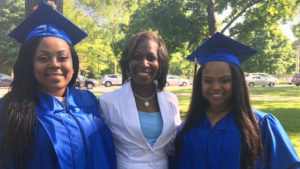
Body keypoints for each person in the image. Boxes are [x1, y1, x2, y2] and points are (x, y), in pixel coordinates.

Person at [0, 1, 116, 169]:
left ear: (73, 62)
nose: (54, 64)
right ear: (29, 63)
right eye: (42, 58)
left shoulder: (88, 101)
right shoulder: (9, 109)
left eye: (62, 58)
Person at [174, 32, 300, 169]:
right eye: (208, 80)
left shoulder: (260, 124)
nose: (215, 87)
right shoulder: (188, 126)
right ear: (200, 83)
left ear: (237, 82)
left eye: (225, 80)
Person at [98, 31, 181, 169]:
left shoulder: (171, 100)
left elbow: (173, 145)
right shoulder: (107, 102)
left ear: (160, 62)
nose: (144, 63)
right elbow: (102, 147)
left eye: (151, 57)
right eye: (136, 57)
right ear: (128, 62)